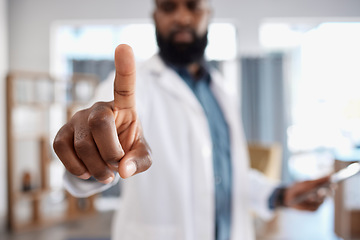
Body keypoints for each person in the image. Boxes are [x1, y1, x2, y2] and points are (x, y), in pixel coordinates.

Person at [53, 0, 331, 239]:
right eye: (169, 6)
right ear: (155, 16)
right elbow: (96, 131)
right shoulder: (134, 88)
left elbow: (224, 173)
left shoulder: (221, 90)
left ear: (208, 13)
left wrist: (281, 194)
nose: (182, 17)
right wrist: (90, 152)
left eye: (193, 6)